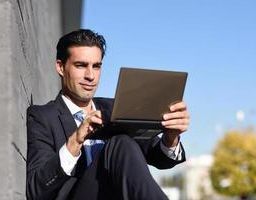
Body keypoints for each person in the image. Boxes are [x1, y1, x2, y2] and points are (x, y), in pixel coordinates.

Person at [26, 29, 190, 200]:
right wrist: (75, 141)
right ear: (60, 67)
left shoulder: (114, 108)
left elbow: (160, 159)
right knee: (120, 143)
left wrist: (171, 137)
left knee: (123, 142)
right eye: (81, 65)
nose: (90, 76)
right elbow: (36, 190)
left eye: (96, 66)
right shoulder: (42, 117)